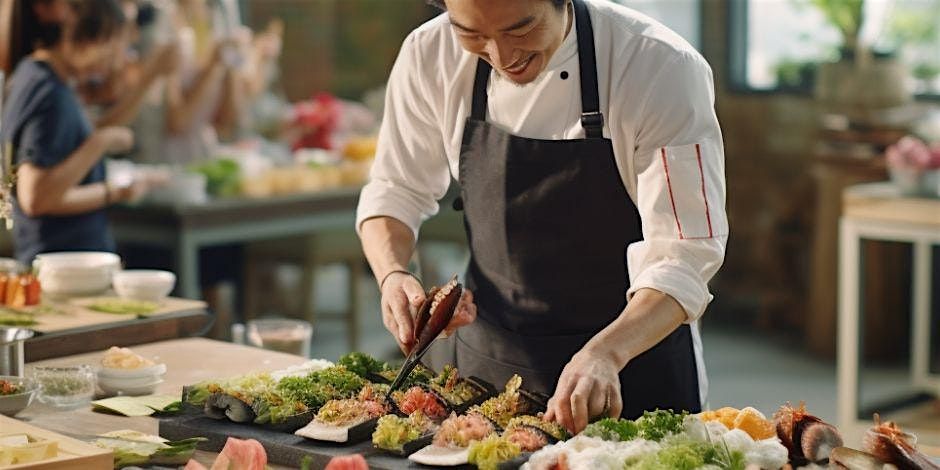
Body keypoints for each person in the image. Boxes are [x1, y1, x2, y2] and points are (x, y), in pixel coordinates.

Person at [357, 0, 728, 434]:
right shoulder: (429, 53)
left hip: (629, 369)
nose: (500, 55)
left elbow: (685, 254)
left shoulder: (656, 65)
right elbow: (395, 188)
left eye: (521, 28)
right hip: (488, 371)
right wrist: (393, 274)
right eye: (472, 35)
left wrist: (606, 353)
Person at [0, 0, 150, 263]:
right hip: (64, 266)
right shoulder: (48, 90)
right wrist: (100, 143)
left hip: (61, 262)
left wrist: (114, 190)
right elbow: (36, 197)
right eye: (115, 45)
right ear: (89, 36)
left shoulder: (33, 76)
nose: (118, 61)